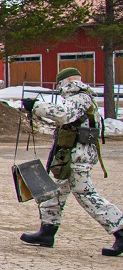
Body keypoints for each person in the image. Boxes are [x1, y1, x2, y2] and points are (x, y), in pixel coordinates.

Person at [21, 68, 123, 256]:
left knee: (87, 196)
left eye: (60, 84)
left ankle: (120, 230)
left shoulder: (80, 98)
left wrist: (36, 106)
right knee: (54, 193)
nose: (59, 89)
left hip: (77, 158)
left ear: (66, 82)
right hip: (70, 157)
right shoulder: (82, 98)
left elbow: (63, 114)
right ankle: (47, 231)